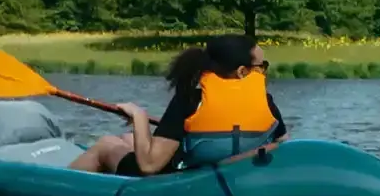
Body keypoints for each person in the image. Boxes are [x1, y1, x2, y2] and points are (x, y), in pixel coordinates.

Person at [69, 35, 290, 176]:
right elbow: (281, 144)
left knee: (107, 143)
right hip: (230, 173)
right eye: (263, 65)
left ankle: (54, 184)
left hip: (182, 177)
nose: (264, 70)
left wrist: (138, 116)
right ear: (242, 72)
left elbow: (149, 166)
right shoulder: (266, 101)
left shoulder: (192, 97)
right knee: (127, 139)